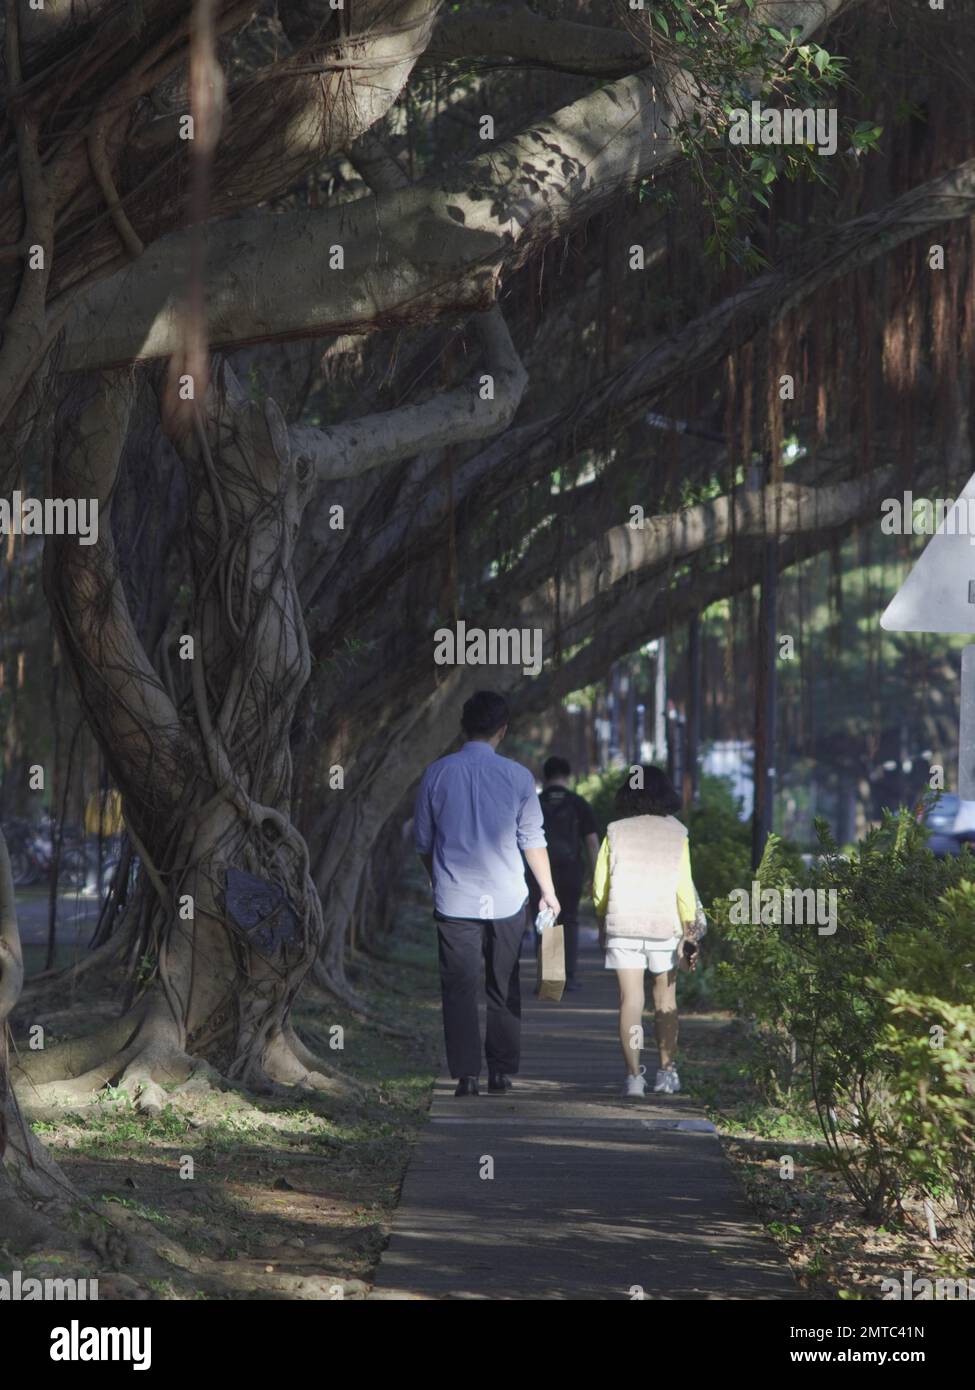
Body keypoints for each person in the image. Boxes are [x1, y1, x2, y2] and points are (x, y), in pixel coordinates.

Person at [414, 690, 560, 1097]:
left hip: (454, 899)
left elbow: (423, 841)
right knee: (503, 984)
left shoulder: (436, 773)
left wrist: (436, 878)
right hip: (507, 898)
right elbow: (532, 839)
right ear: (503, 729)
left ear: (463, 726)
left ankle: (466, 1076)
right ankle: (501, 1072)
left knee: (458, 988)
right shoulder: (517, 777)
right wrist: (548, 892)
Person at [592, 765, 704, 1099]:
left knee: (630, 1001)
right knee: (664, 1000)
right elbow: (684, 888)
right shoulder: (678, 833)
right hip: (663, 925)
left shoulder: (615, 831)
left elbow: (600, 887)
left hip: (623, 923)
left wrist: (602, 923)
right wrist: (690, 932)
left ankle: (633, 1078)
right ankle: (666, 1074)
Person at [527, 756, 599, 991]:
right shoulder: (578, 803)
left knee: (546, 920)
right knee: (569, 920)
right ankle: (568, 976)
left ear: (545, 776)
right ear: (567, 776)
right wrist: (596, 875)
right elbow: (591, 842)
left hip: (539, 872)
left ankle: (551, 980)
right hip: (571, 870)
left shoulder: (534, 803)